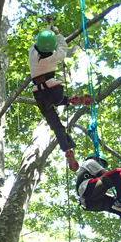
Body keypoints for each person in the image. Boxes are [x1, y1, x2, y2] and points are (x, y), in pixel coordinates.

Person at [29, 26, 93, 172]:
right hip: (54, 90)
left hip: (38, 93)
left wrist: (47, 30)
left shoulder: (32, 53)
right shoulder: (54, 57)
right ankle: (69, 100)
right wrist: (56, 32)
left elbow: (38, 41)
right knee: (58, 100)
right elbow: (63, 45)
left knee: (55, 124)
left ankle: (66, 149)